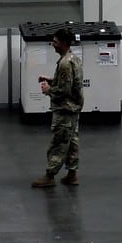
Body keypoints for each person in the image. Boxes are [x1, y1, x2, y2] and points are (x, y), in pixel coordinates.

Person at [31, 28, 82, 188]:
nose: (53, 44)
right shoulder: (74, 58)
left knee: (58, 143)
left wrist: (48, 90)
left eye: (55, 42)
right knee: (72, 141)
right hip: (74, 108)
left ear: (64, 43)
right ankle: (72, 174)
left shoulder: (65, 63)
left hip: (64, 110)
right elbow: (70, 83)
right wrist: (52, 80)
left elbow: (64, 90)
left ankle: (50, 175)